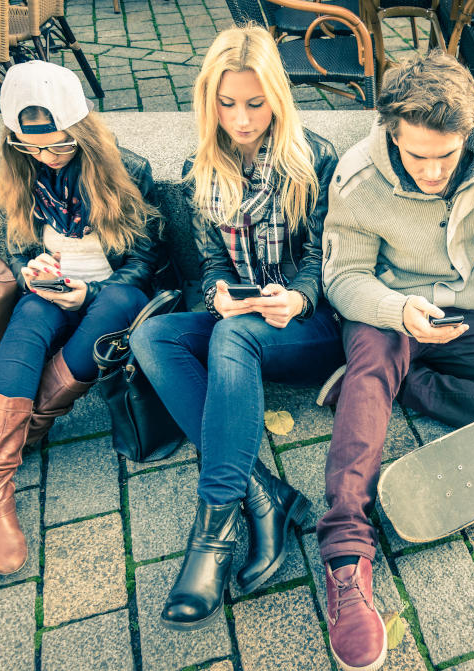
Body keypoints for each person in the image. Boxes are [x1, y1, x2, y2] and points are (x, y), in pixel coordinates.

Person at [315, 50, 474, 671]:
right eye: (417, 155)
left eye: (447, 155)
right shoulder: (357, 180)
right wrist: (396, 309)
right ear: (390, 131)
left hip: (466, 314)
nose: (433, 171)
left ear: (470, 135)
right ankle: (346, 553)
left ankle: (384, 388)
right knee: (373, 371)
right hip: (386, 311)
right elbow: (343, 277)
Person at [129, 25, 343, 632]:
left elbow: (324, 259)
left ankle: (214, 531)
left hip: (310, 327)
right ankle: (263, 494)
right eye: (227, 104)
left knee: (233, 336)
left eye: (255, 102)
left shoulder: (315, 157)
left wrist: (296, 299)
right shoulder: (203, 169)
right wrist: (218, 293)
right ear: (208, 101)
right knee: (153, 338)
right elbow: (213, 264)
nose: (242, 120)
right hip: (246, 318)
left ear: (276, 95)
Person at [0, 61, 166, 576]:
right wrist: (32, 269)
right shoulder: (16, 168)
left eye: (58, 145)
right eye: (31, 145)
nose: (45, 156)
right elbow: (19, 247)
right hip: (54, 288)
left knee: (114, 307)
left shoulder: (128, 169)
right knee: (29, 317)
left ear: (82, 130)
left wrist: (90, 289)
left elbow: (145, 263)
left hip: (112, 291)